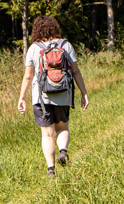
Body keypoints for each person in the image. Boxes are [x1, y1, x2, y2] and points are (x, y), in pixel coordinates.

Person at [17, 15, 89, 176]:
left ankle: (51, 169)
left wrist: (22, 98)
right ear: (55, 27)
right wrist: (84, 93)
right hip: (63, 94)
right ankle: (63, 151)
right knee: (62, 127)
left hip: (41, 98)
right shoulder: (66, 45)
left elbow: (28, 76)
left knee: (47, 133)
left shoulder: (34, 48)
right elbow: (76, 71)